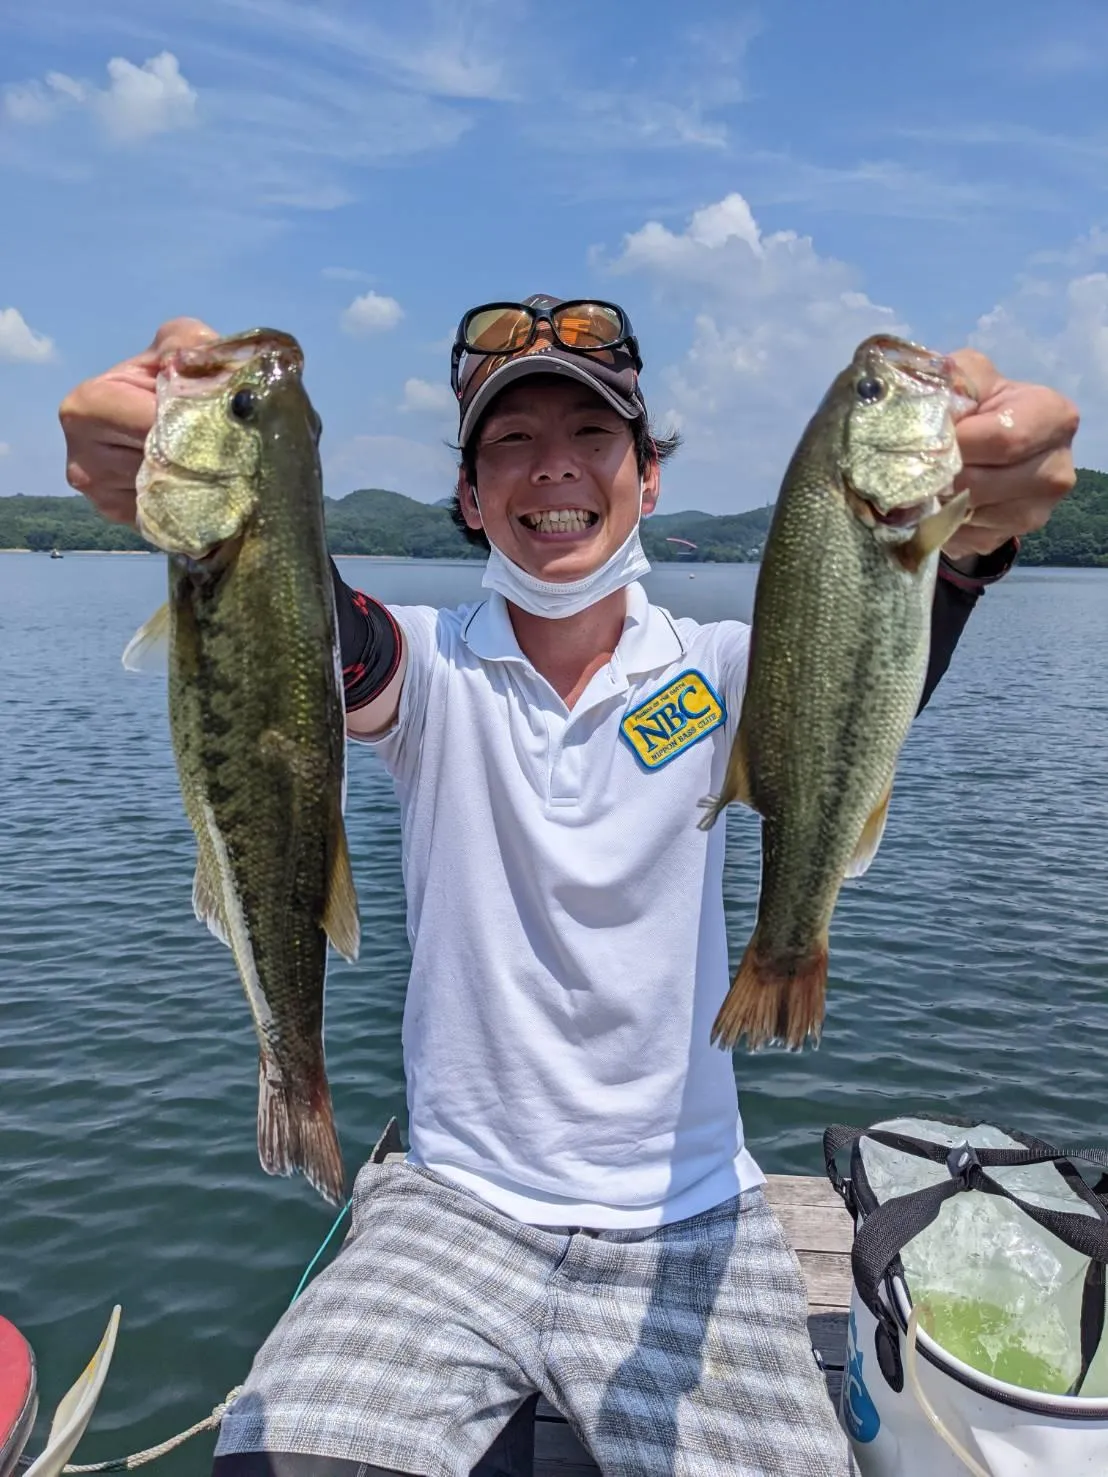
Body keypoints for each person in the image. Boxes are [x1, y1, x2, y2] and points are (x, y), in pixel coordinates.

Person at [60, 298, 1078, 1477]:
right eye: (509, 442)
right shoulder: (433, 667)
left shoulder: (720, 675)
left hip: (695, 1217)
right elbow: (313, 633)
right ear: (471, 498)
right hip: (448, 1207)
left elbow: (865, 673)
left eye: (592, 437)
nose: (553, 466)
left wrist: (971, 546)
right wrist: (192, 500)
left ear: (647, 480)